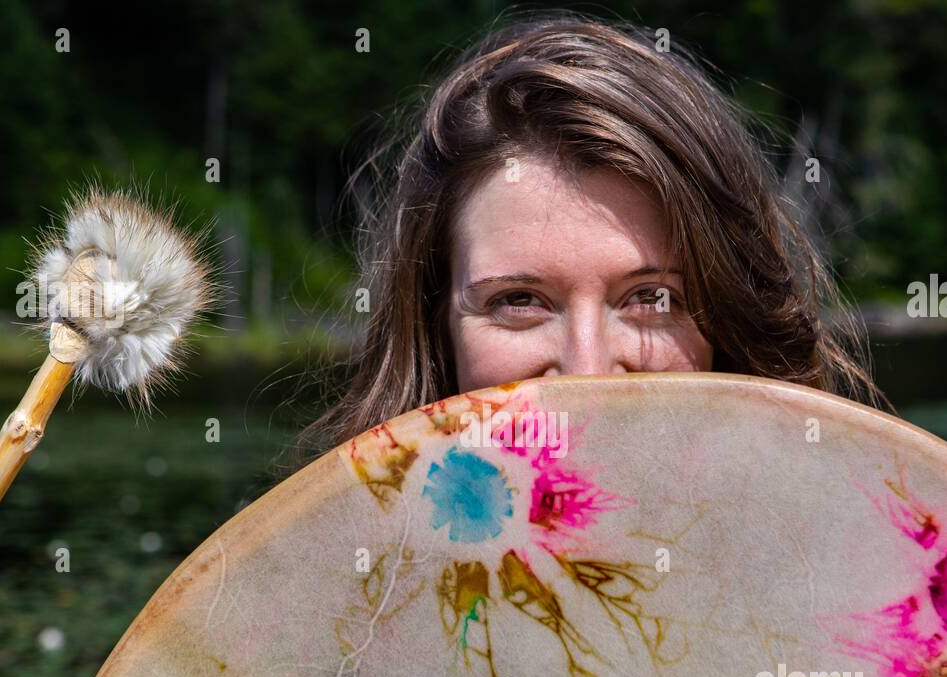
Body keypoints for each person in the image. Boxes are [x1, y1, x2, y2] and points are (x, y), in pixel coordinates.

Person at [303, 12, 884, 457]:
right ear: (437, 328)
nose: (587, 373)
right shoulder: (339, 603)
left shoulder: (866, 588)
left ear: (729, 325)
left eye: (653, 298)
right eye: (517, 300)